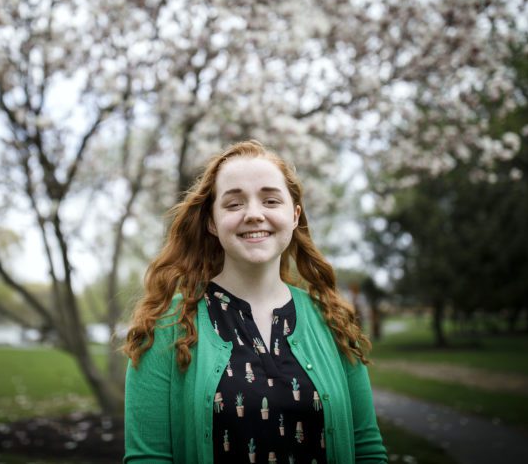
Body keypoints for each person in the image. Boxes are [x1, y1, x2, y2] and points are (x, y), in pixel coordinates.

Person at [122, 140, 386, 464]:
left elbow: (367, 449)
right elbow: (148, 459)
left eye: (271, 200)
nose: (254, 214)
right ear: (211, 222)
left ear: (294, 215)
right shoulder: (165, 327)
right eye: (233, 204)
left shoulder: (333, 321)